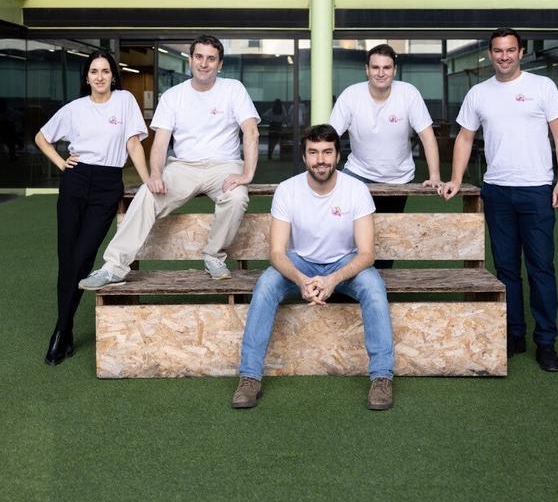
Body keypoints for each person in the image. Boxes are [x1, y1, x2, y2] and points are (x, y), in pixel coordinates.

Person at [232, 124, 395, 411]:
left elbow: (367, 254)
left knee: (374, 287)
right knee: (266, 285)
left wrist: (333, 279)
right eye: (314, 152)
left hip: (344, 263)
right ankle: (249, 377)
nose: (321, 160)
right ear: (304, 156)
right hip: (301, 262)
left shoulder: (356, 190)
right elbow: (277, 253)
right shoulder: (287, 190)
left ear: (338, 156)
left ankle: (382, 377)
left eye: (327, 152)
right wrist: (300, 280)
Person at [79, 34, 260, 289]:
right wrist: (155, 174)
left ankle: (213, 256)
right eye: (199, 57)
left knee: (237, 197)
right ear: (190, 60)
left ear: (220, 64)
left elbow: (251, 131)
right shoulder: (173, 96)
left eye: (211, 59)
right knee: (147, 194)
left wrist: (247, 174)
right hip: (183, 167)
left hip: (224, 166)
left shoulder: (233, 89)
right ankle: (113, 267)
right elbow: (161, 142)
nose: (204, 63)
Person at [442, 27, 558, 372]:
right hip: (497, 191)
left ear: (521, 52)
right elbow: (465, 138)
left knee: (541, 268)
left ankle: (546, 342)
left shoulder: (542, 87)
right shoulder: (478, 93)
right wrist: (455, 178)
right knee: (506, 270)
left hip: (536, 190)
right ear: (490, 54)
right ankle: (514, 335)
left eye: (510, 50)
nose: (504, 56)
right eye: (498, 51)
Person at [35, 50, 149, 366]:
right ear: (86, 77)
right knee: (67, 258)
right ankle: (64, 330)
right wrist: (61, 163)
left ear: (113, 75)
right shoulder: (74, 109)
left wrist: (149, 182)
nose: (100, 76)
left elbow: (133, 144)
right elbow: (42, 137)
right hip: (75, 180)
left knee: (84, 255)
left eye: (105, 71)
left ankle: (61, 330)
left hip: (107, 184)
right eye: (94, 71)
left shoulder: (125, 101)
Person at [329, 43, 442, 268]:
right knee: (346, 232)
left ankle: (380, 282)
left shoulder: (408, 93)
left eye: (386, 67)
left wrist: (435, 176)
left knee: (387, 239)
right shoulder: (351, 95)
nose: (381, 73)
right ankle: (343, 280)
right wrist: (325, 172)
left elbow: (427, 135)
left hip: (398, 178)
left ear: (394, 70)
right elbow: (330, 137)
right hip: (358, 174)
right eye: (375, 67)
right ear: (366, 69)